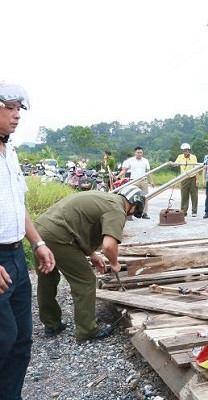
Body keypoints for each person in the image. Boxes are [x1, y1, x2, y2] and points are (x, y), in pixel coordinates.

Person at [0, 82, 56, 399]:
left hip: (16, 258)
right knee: (3, 338)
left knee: (21, 338)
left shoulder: (11, 154)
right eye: (9, 107)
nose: (16, 115)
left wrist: (37, 243)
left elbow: (17, 207)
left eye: (19, 108)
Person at [35, 187, 146, 343]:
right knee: (86, 281)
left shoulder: (105, 199)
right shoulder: (117, 210)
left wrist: (92, 254)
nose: (131, 215)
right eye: (133, 212)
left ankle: (51, 324)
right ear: (134, 206)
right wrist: (114, 263)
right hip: (58, 237)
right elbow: (108, 245)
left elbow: (78, 225)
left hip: (40, 231)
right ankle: (87, 331)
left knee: (47, 278)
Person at [118, 146, 154, 219]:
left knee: (145, 197)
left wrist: (151, 181)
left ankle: (144, 213)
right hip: (133, 181)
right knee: (132, 198)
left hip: (143, 181)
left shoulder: (145, 161)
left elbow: (148, 172)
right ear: (135, 153)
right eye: (138, 152)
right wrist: (118, 176)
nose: (139, 154)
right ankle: (130, 214)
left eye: (141, 152)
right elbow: (125, 170)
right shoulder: (130, 160)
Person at [174, 143, 199, 217]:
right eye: (184, 151)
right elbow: (176, 164)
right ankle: (184, 211)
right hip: (184, 178)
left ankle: (194, 211)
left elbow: (197, 168)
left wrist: (197, 180)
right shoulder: (180, 157)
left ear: (189, 150)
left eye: (186, 150)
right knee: (184, 195)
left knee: (194, 195)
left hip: (193, 177)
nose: (185, 152)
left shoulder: (193, 157)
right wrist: (172, 163)